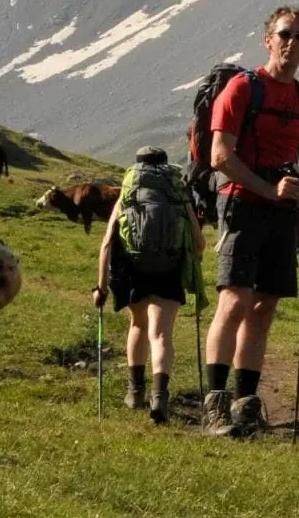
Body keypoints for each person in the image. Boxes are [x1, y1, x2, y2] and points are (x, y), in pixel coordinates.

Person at [201, 6, 299, 437]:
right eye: (285, 34)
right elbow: (220, 157)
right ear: (267, 39)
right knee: (235, 301)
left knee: (264, 306)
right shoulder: (242, 89)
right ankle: (215, 402)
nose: (293, 43)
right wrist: (267, 188)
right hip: (241, 206)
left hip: (283, 212)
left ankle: (246, 403)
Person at [94, 145, 204, 424]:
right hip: (168, 269)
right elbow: (199, 241)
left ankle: (135, 392)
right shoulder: (178, 196)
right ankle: (159, 397)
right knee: (162, 333)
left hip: (133, 269)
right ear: (166, 167)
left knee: (138, 325)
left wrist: (101, 287)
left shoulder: (128, 195)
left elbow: (107, 243)